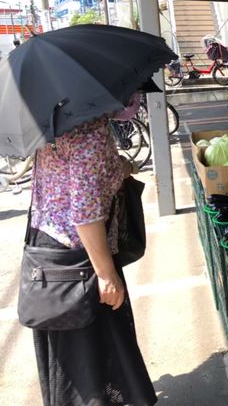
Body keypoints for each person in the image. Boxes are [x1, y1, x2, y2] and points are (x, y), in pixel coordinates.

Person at [29, 116, 157, 406]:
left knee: (76, 363)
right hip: (81, 258)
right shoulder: (88, 130)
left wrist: (119, 167)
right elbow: (85, 213)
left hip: (51, 251)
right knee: (91, 362)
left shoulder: (51, 120)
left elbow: (71, 179)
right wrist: (106, 274)